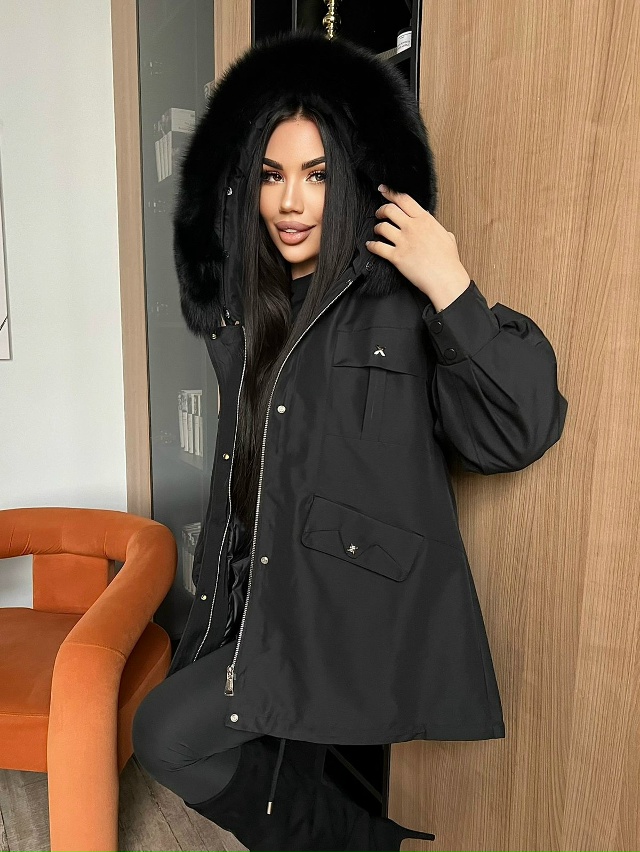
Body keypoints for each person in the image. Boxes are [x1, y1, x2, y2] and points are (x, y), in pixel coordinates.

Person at [132, 29, 568, 852]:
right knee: (250, 755)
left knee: (164, 736)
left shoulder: (398, 302)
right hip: (254, 594)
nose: (291, 203)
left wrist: (451, 284)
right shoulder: (248, 313)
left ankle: (364, 843)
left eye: (318, 174)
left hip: (345, 614)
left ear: (358, 179)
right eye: (272, 176)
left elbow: (518, 431)